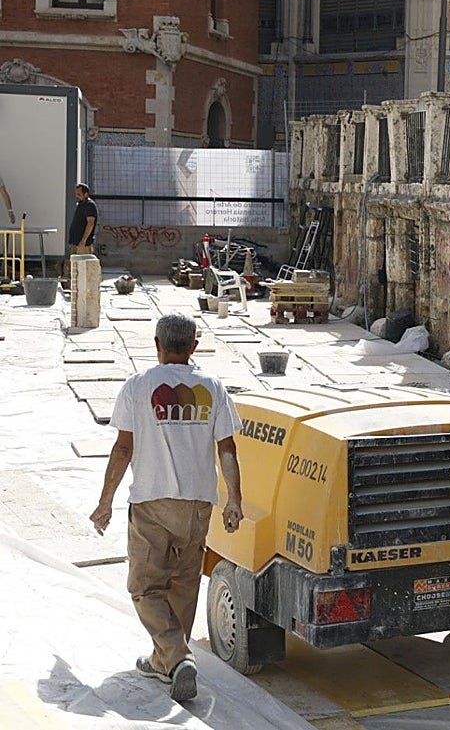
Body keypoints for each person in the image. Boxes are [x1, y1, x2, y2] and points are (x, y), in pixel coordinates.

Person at [89, 312, 243, 702]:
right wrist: (234, 500)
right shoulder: (212, 387)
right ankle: (164, 661)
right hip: (198, 504)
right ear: (194, 346)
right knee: (184, 583)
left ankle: (176, 658)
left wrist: (105, 501)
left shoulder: (138, 387)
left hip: (152, 504)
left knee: (144, 586)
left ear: (157, 345)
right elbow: (227, 449)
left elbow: (124, 448)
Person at [68, 183, 98, 254]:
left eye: (79, 194)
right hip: (75, 242)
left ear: (86, 194)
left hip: (83, 244)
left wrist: (83, 240)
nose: (76, 196)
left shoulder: (89, 205)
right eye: (76, 194)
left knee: (84, 263)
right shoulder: (81, 205)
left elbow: (90, 223)